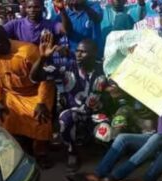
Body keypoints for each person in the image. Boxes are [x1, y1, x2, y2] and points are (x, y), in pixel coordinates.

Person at [66, 101, 162, 181]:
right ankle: (98, 174)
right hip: (156, 136)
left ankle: (111, 179)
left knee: (157, 137)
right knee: (123, 138)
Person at [29, 31, 110, 170]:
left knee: (106, 134)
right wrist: (42, 58)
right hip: (74, 112)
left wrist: (113, 90)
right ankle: (72, 151)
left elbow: (118, 85)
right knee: (64, 121)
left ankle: (94, 143)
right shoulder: (67, 68)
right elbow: (35, 77)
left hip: (96, 114)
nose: (78, 54)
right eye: (77, 51)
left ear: (93, 54)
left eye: (83, 52)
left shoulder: (104, 69)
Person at [0, 24, 55, 167]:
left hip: (35, 93)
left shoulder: (28, 52)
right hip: (11, 94)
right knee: (6, 119)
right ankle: (21, 150)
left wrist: (41, 102)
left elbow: (45, 79)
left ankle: (41, 154)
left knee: (41, 120)